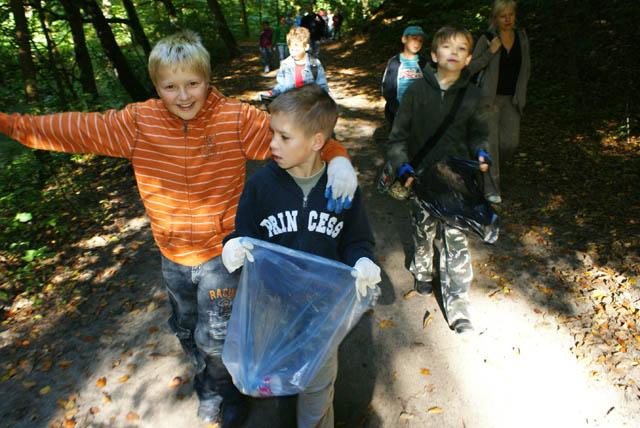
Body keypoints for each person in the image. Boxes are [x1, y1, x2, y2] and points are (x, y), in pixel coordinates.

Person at [0, 30, 358, 426]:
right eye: (170, 87)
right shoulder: (138, 123)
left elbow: (304, 137)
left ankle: (222, 395)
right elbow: (74, 128)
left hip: (223, 255)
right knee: (187, 330)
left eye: (193, 84)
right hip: (172, 256)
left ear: (208, 80)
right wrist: (11, 124)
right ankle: (211, 379)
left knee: (217, 337)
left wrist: (337, 157)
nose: (184, 96)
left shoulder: (234, 119)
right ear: (156, 86)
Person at [222, 83, 381, 428]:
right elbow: (246, 231)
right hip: (275, 307)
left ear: (316, 141)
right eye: (271, 134)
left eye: (284, 137)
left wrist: (362, 260)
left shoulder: (341, 190)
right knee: (281, 375)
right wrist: (234, 244)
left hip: (323, 314)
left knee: (317, 386)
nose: (272, 144)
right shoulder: (261, 187)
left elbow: (356, 239)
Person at [387, 27, 492, 334]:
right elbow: (398, 137)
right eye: (447, 47)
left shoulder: (473, 95)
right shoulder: (417, 92)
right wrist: (402, 167)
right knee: (423, 231)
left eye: (462, 48)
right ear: (433, 55)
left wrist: (482, 153)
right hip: (419, 179)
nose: (454, 52)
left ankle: (458, 306)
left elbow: (479, 133)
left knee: (456, 242)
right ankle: (422, 270)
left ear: (469, 58)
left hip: (457, 183)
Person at [467, 0, 530, 203]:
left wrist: (522, 95)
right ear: (495, 18)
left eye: (511, 14)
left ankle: (481, 168)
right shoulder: (487, 39)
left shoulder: (521, 37)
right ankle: (491, 188)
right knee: (491, 145)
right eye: (503, 16)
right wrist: (490, 51)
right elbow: (471, 68)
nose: (508, 19)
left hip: (512, 99)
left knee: (510, 143)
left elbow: (526, 67)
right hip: (489, 101)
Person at [263, 27, 330, 98]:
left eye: (296, 47)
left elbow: (322, 85)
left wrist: (327, 99)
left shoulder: (315, 64)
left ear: (306, 47)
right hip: (292, 103)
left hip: (310, 102)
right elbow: (282, 85)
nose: (293, 51)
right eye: (291, 48)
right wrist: (272, 92)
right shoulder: (285, 64)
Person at [381, 25, 428, 125]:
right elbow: (387, 88)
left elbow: (430, 86)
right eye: (414, 38)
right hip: (398, 111)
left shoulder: (423, 63)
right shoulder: (395, 62)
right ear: (404, 39)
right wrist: (396, 109)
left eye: (420, 40)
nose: (417, 43)